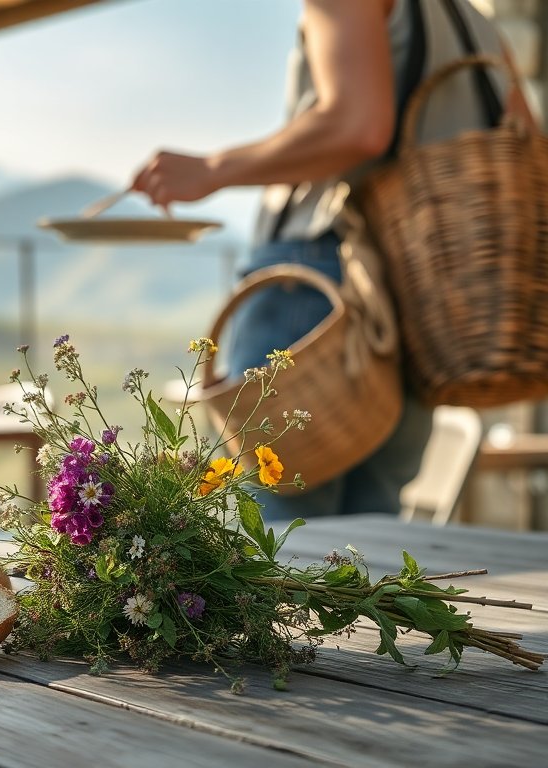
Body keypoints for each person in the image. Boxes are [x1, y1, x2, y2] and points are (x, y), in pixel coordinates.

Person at [127, 0, 534, 520]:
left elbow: (358, 125)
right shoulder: (475, 24)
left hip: (317, 279)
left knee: (275, 534)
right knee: (366, 544)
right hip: (413, 301)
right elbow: (523, 137)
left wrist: (212, 168)